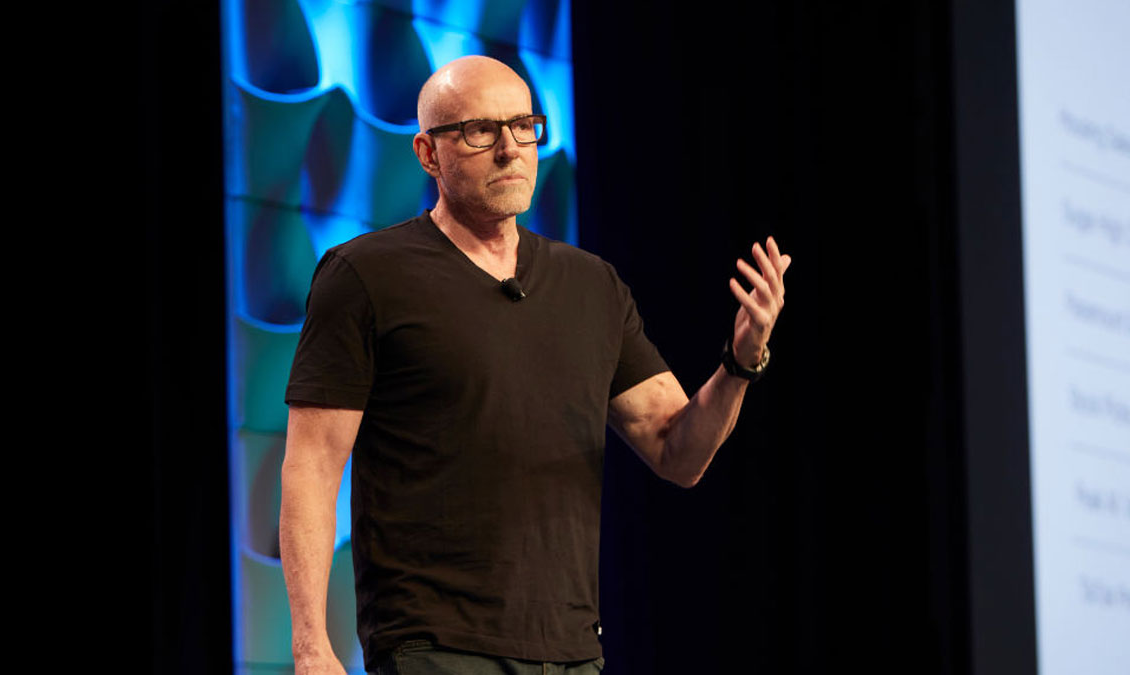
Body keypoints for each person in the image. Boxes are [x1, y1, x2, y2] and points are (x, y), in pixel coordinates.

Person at [279, 55, 790, 675]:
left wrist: (740, 363)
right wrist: (311, 647)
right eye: (479, 131)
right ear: (426, 153)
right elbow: (312, 468)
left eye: (524, 126)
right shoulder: (364, 275)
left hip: (571, 650)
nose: (510, 149)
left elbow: (677, 452)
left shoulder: (591, 285)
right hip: (434, 647)